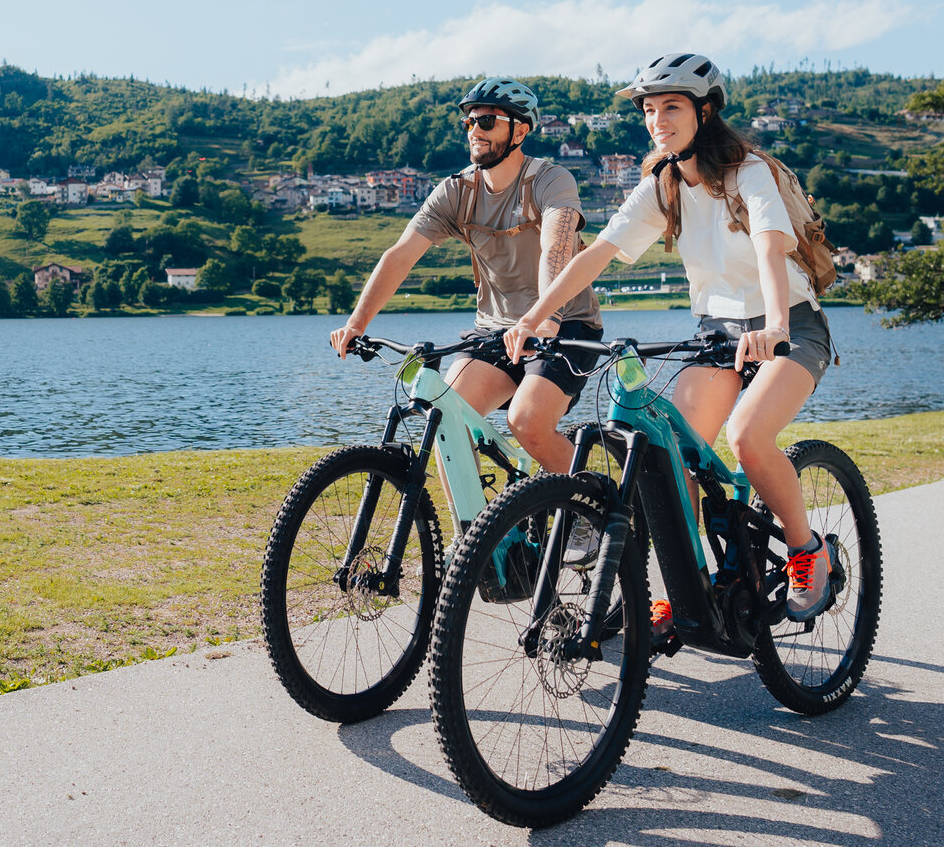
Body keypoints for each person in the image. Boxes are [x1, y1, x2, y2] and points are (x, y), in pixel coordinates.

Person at [500, 53, 840, 624]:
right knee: (669, 456)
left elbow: (767, 247)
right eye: (650, 109)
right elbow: (598, 255)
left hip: (791, 324)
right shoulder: (662, 186)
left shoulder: (748, 173)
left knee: (749, 435)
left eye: (672, 106)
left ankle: (809, 552)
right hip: (716, 335)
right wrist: (534, 316)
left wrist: (776, 326)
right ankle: (693, 587)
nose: (659, 118)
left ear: (705, 113)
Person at [331, 77, 605, 509]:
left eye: (487, 120)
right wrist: (356, 324)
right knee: (444, 419)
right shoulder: (457, 191)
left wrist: (542, 318)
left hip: (563, 326)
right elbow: (401, 255)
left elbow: (557, 244)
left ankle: (595, 508)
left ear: (520, 130)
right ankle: (482, 544)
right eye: (468, 122)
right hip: (493, 331)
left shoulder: (551, 180)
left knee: (527, 422)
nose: (474, 129)